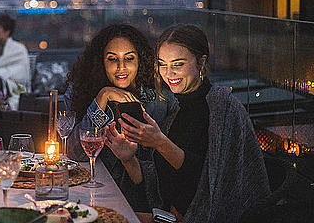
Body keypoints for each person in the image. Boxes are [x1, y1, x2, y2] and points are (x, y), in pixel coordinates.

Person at [107, 24, 270, 223]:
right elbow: (161, 181)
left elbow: (210, 180)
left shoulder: (223, 107)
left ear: (201, 62)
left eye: (178, 64)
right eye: (162, 64)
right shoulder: (176, 111)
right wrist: (128, 159)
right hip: (164, 216)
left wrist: (160, 143)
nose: (169, 73)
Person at [64, 24, 176, 182]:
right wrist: (102, 98)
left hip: (143, 194)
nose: (121, 67)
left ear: (140, 60)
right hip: (93, 186)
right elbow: (76, 154)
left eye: (129, 58)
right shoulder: (78, 91)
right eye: (112, 59)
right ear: (101, 61)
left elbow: (168, 163)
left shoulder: (160, 98)